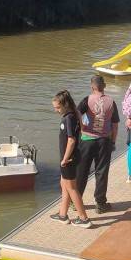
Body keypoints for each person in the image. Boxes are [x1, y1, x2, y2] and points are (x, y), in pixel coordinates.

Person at [76, 75, 119, 214]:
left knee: (82, 171)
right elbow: (115, 125)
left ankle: (75, 201)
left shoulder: (87, 100)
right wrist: (113, 141)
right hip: (104, 141)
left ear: (92, 86)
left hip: (87, 140)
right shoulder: (111, 102)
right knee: (101, 172)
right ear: (104, 86)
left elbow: (75, 115)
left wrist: (82, 127)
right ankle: (100, 204)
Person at [50, 91, 92, 228]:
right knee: (64, 184)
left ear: (65, 105)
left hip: (68, 159)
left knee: (72, 188)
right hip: (71, 157)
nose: (55, 110)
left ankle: (84, 218)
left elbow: (71, 140)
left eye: (57, 107)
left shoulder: (68, 118)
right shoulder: (74, 115)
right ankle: (63, 215)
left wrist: (65, 159)